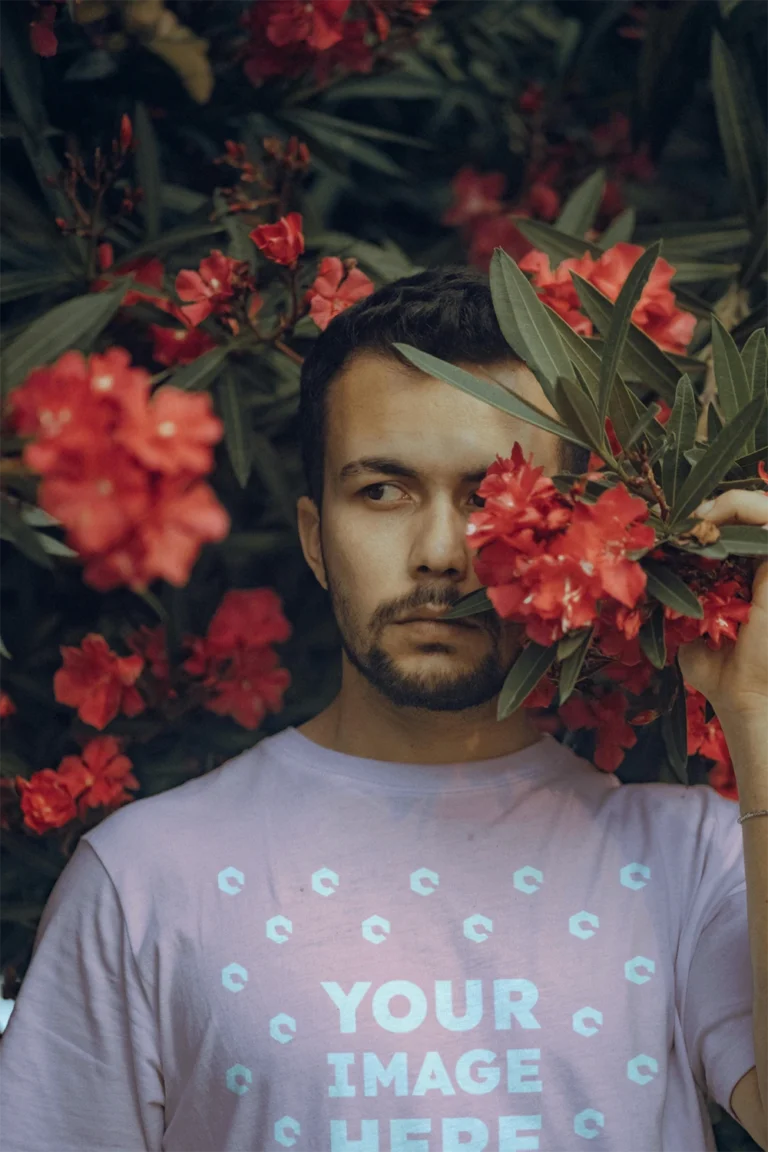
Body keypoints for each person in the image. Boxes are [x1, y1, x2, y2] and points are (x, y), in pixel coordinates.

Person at [0, 266, 758, 1151]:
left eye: (489, 497)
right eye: (382, 492)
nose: (440, 553)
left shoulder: (696, 864)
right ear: (316, 541)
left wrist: (760, 709)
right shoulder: (144, 882)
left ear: (574, 532)